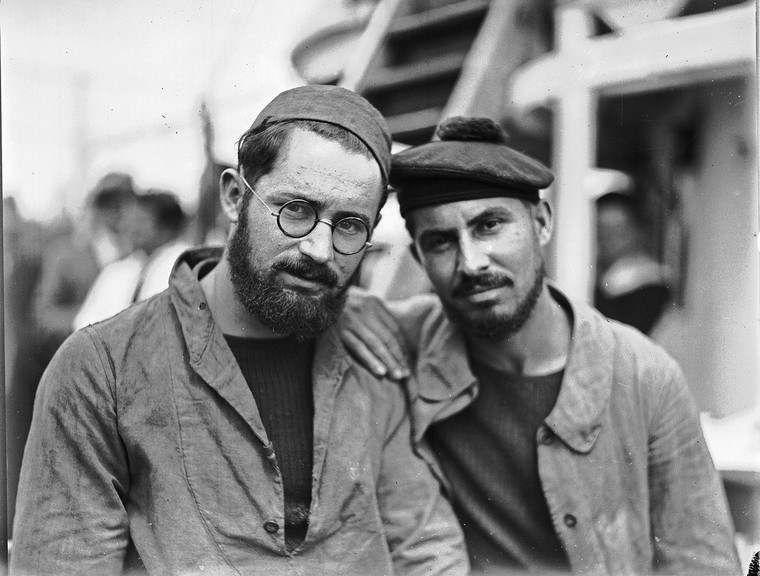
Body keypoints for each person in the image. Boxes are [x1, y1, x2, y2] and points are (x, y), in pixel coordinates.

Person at [12, 86, 468, 576]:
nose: (319, 249)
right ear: (234, 197)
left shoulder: (375, 357)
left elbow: (426, 547)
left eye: (349, 225)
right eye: (295, 209)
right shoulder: (103, 370)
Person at [341, 117, 741, 574]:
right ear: (419, 258)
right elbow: (306, 296)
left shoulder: (642, 373)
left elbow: (700, 558)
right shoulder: (407, 340)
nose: (471, 262)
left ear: (542, 223)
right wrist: (339, 313)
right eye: (441, 242)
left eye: (489, 225)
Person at [32, 172, 137, 363]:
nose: (118, 211)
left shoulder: (139, 256)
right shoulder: (64, 256)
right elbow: (44, 318)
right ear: (96, 207)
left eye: (125, 203)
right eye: (109, 204)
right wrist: (94, 316)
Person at [72, 189, 191, 330]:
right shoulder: (120, 269)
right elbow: (84, 322)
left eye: (141, 221)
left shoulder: (185, 265)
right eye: (131, 220)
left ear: (167, 227)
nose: (133, 228)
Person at [590, 169, 671, 335]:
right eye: (602, 230)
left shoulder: (651, 284)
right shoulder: (601, 275)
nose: (608, 239)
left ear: (638, 231)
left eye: (618, 230)